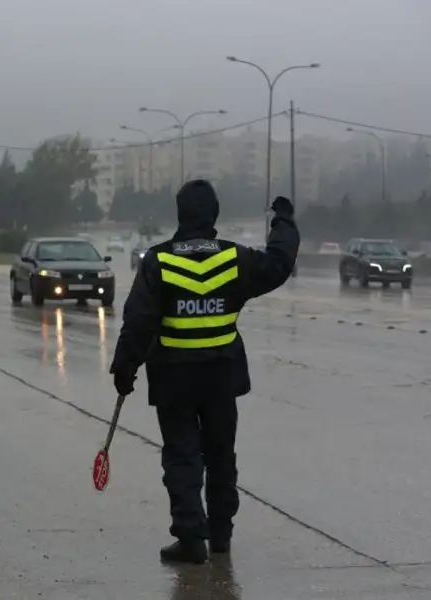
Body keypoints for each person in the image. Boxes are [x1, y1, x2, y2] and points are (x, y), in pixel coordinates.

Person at [109, 179, 299, 565]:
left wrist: (125, 368)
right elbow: (279, 264)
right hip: (221, 378)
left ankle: (191, 538)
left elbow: (139, 321)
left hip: (174, 379)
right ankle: (222, 536)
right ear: (214, 215)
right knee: (220, 455)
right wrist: (284, 221)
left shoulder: (159, 261)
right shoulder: (234, 259)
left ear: (180, 214)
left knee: (182, 458)